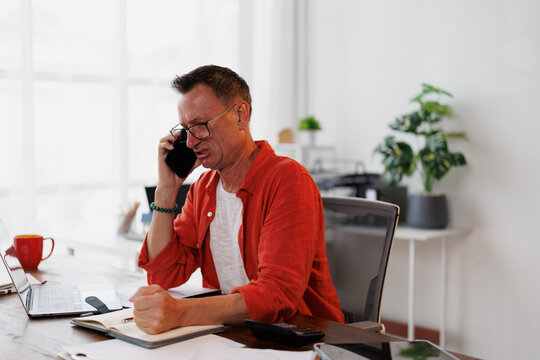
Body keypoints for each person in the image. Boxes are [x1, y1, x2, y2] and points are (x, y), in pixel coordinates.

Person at [130, 65, 344, 334]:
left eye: (200, 126)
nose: (192, 142)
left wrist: (181, 313)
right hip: (235, 334)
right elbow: (163, 275)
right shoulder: (204, 188)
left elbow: (277, 295)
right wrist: (166, 190)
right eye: (186, 130)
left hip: (299, 339)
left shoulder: (288, 180)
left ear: (240, 115)